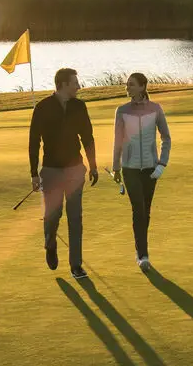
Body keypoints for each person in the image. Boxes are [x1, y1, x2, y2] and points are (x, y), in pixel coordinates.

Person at [29, 67, 99, 277]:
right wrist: (34, 173)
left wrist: (93, 165)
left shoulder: (79, 106)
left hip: (75, 170)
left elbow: (87, 137)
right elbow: (34, 142)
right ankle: (50, 243)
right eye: (75, 83)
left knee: (75, 217)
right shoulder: (43, 107)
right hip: (51, 171)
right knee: (52, 216)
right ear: (63, 84)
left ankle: (75, 265)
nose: (78, 86)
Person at [112, 72, 171, 272]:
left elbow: (166, 138)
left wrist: (162, 164)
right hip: (129, 168)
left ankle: (141, 248)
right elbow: (118, 141)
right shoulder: (122, 110)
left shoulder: (155, 109)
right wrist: (116, 167)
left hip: (151, 169)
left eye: (131, 84)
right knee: (138, 208)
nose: (127, 87)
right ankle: (142, 254)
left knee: (146, 211)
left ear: (143, 87)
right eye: (127, 84)